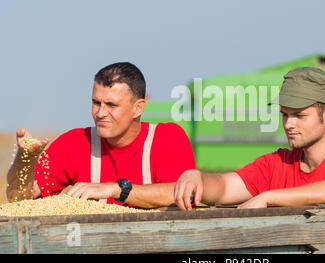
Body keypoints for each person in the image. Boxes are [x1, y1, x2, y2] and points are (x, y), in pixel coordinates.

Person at [174, 67, 325, 254]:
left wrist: (268, 197)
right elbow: (224, 188)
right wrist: (197, 176)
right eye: (285, 115)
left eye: (299, 115)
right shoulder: (277, 162)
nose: (289, 124)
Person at [7, 62, 195, 208]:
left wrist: (114, 189)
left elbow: (182, 192)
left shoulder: (168, 138)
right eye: (96, 102)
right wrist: (24, 161)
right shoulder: (75, 143)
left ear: (138, 108)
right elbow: (18, 198)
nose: (100, 113)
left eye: (111, 105)